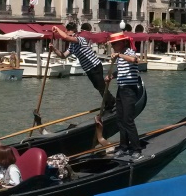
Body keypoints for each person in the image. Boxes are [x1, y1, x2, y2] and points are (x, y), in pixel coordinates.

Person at [50, 26, 115, 111]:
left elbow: (66, 37)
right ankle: (109, 102)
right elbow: (63, 56)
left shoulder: (80, 39)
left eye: (67, 31)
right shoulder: (72, 46)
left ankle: (111, 102)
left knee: (101, 86)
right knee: (98, 86)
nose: (66, 33)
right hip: (88, 69)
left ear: (72, 31)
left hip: (95, 65)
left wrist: (57, 29)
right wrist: (54, 49)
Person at [107, 32, 143, 160]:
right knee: (120, 119)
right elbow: (122, 70)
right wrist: (112, 76)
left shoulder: (129, 51)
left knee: (128, 120)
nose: (113, 46)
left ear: (122, 43)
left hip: (129, 90)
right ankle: (123, 147)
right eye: (112, 44)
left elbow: (135, 60)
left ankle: (137, 149)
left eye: (114, 44)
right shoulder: (120, 55)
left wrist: (119, 55)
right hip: (121, 89)